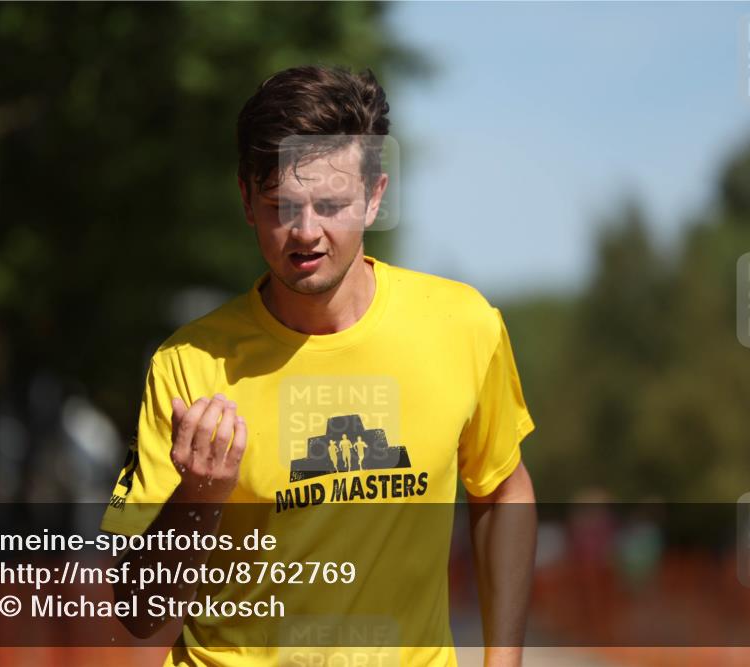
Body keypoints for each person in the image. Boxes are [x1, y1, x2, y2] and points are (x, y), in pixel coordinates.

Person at [102, 65, 537, 667]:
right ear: (246, 200)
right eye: (282, 205)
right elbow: (137, 612)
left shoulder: (464, 325)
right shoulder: (187, 366)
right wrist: (200, 495)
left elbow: (503, 488)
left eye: (331, 204)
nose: (306, 233)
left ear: (375, 196)